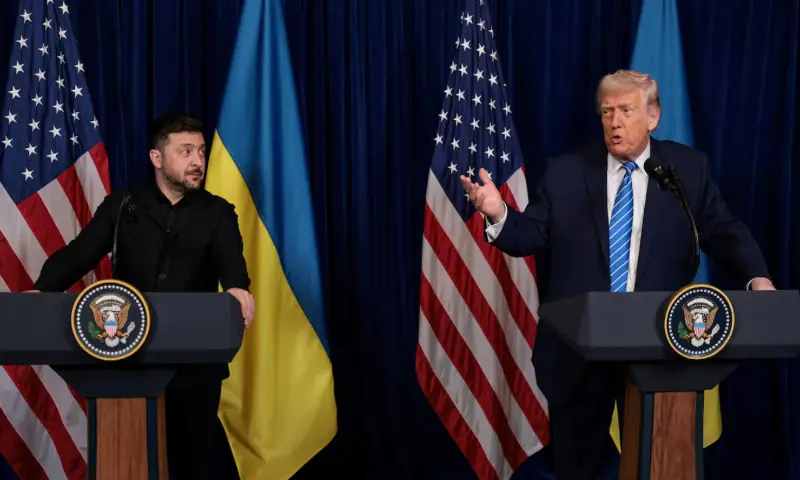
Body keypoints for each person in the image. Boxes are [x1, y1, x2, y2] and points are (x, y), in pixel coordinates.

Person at [461, 70, 775, 479]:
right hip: (578, 352)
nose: (615, 122)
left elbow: (723, 231)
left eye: (626, 110)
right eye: (607, 112)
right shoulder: (567, 172)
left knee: (658, 464)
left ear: (653, 118)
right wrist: (498, 213)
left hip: (659, 348)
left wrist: (757, 278)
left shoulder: (685, 169)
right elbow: (529, 235)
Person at [29, 112, 255, 479]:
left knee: (193, 467)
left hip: (195, 369)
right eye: (185, 151)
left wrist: (237, 287)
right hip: (128, 362)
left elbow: (232, 264)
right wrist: (41, 290)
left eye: (201, 151)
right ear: (157, 158)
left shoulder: (218, 213)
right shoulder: (123, 207)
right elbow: (78, 255)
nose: (197, 161)